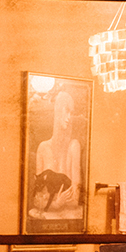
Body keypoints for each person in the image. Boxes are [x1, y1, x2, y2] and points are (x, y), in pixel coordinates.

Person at [30, 89, 82, 219]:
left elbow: (75, 200)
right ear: (58, 112)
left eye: (72, 113)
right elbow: (37, 200)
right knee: (34, 213)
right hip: (47, 215)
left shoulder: (73, 146)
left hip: (68, 215)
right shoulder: (43, 148)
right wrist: (57, 204)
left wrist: (50, 202)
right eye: (66, 111)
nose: (69, 118)